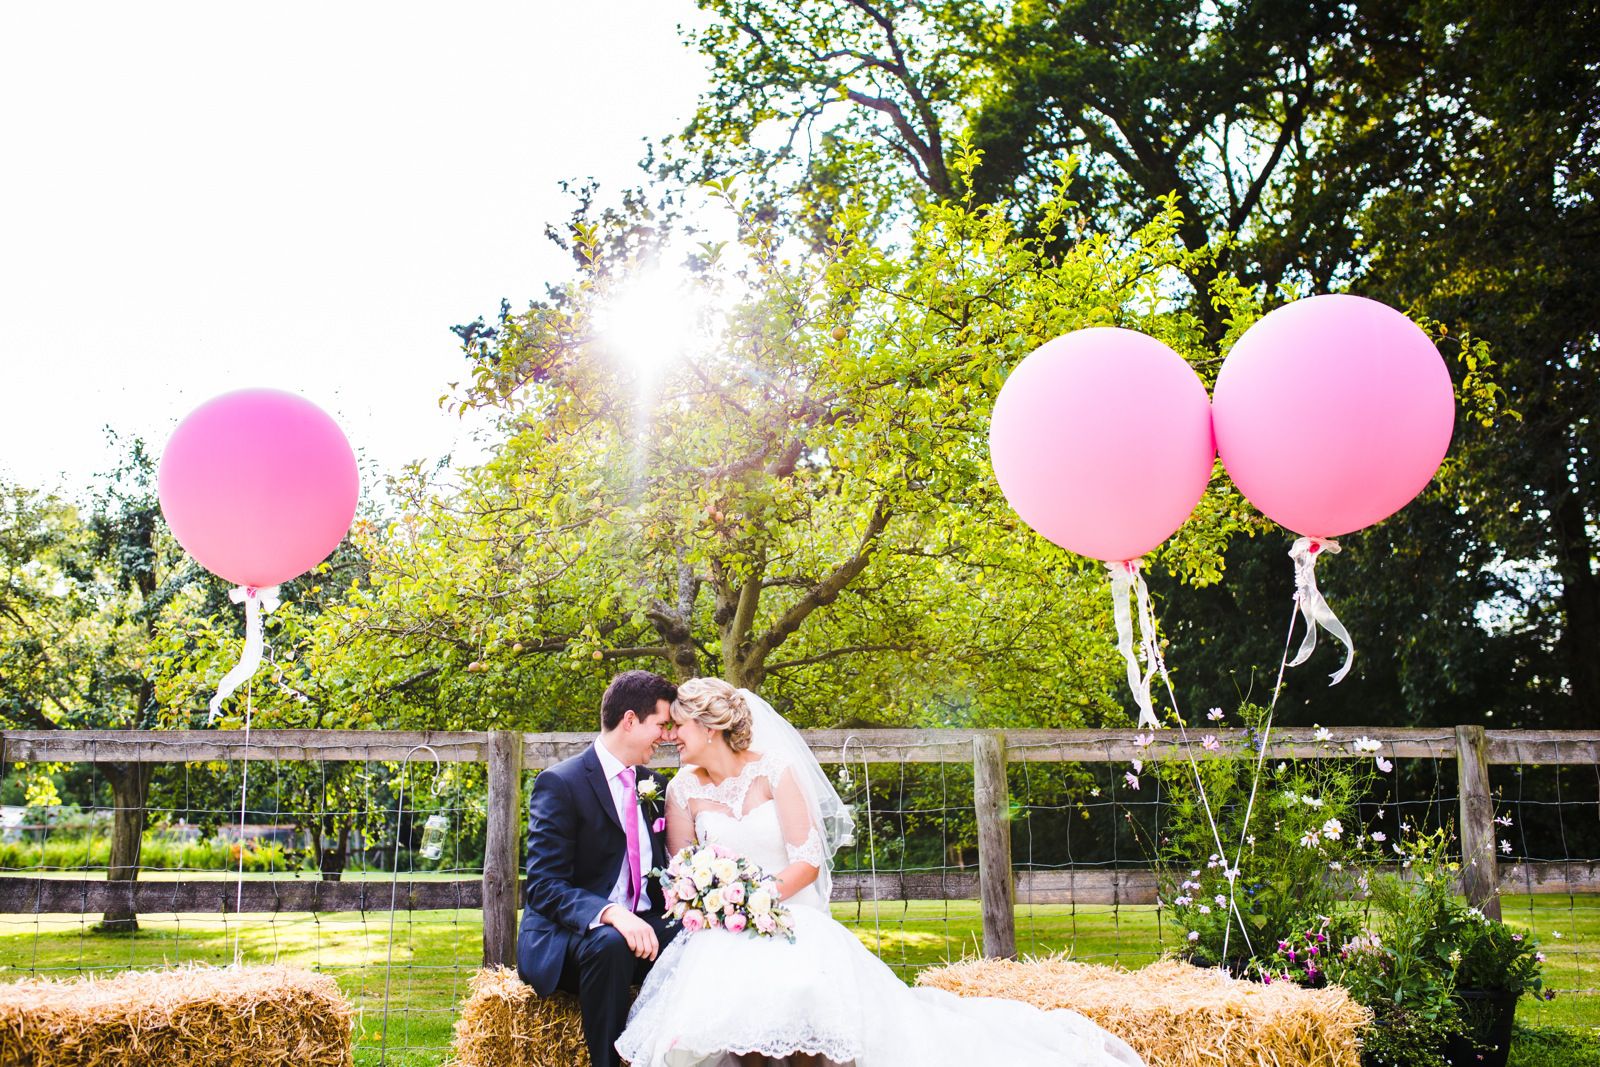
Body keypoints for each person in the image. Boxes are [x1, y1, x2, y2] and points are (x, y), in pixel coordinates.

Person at [617, 678, 1146, 1067]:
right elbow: (681, 869)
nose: (670, 736)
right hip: (721, 932)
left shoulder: (774, 771)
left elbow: (807, 858)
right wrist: (716, 903)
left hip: (788, 915)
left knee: (803, 1001)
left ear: (709, 726)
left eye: (678, 725)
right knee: (730, 1021)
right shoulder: (682, 787)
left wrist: (756, 898)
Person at [517, 669, 682, 1067]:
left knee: (701, 937)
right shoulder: (560, 783)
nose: (666, 736)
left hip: (646, 926)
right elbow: (543, 886)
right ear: (630, 720)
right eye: (661, 724)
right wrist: (610, 914)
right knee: (610, 943)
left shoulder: (655, 786)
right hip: (574, 938)